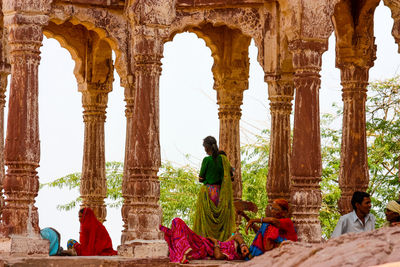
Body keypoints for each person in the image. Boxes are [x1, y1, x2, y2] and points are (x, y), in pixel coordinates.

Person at [192, 136, 236, 241]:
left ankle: (209, 243)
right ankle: (220, 243)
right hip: (221, 193)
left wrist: (206, 178)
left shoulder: (207, 160)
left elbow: (201, 178)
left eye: (204, 146)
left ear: (207, 147)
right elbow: (231, 176)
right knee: (219, 220)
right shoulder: (223, 160)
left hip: (209, 192)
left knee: (208, 221)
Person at [160, 217, 249, 264]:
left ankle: (182, 252)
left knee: (177, 221)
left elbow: (218, 256)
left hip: (203, 248)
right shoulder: (229, 244)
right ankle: (181, 250)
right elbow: (236, 235)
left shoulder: (231, 255)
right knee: (175, 225)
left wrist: (215, 243)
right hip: (203, 242)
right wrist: (243, 245)